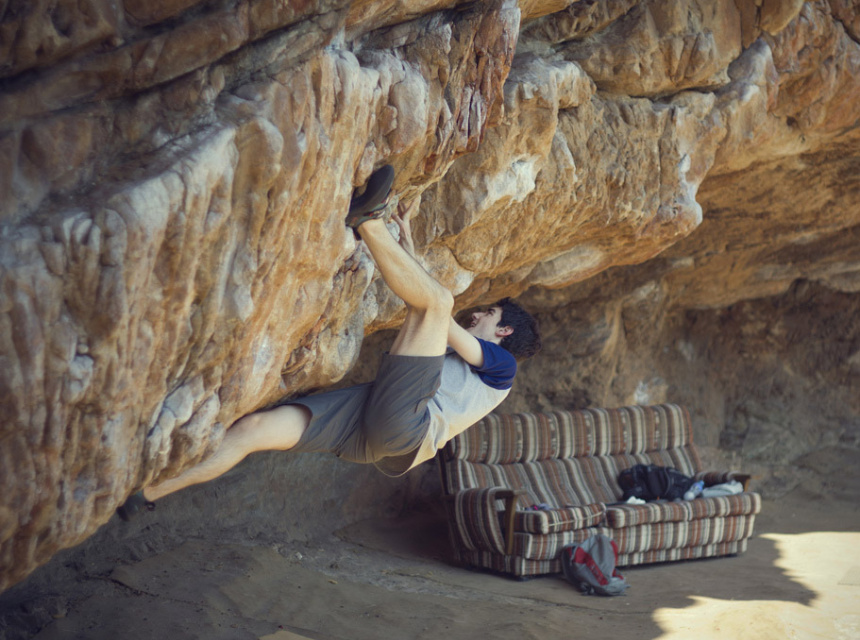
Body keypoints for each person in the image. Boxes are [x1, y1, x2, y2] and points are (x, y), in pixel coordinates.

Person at [117, 166, 540, 520]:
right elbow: (425, 301)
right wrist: (407, 235)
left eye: (490, 314)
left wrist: (398, 241)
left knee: (436, 304)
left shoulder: (503, 368)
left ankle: (367, 220)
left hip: (405, 428)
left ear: (503, 331)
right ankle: (147, 495)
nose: (480, 313)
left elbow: (437, 311)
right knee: (253, 429)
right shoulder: (458, 356)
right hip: (376, 437)